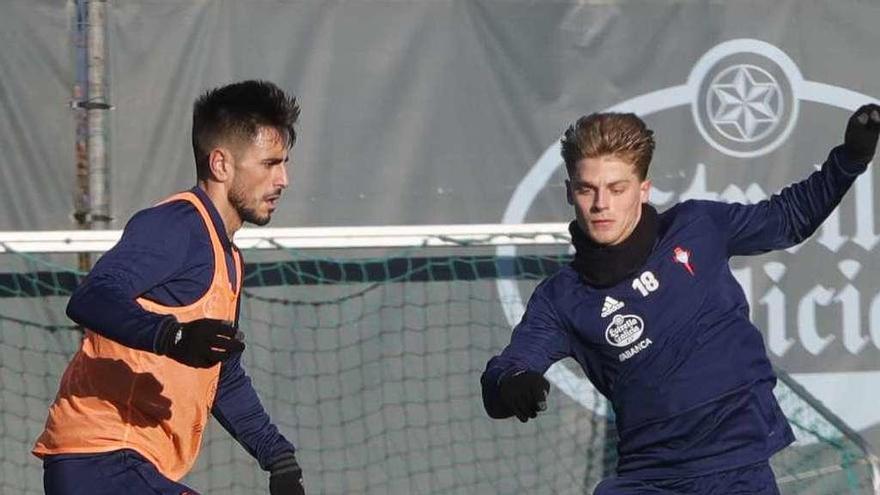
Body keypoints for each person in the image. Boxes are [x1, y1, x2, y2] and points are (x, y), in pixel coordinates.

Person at [481, 105, 880, 494]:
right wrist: (512, 384)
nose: (601, 204)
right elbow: (506, 372)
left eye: (617, 188)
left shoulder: (697, 227)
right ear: (570, 192)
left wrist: (851, 158)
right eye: (588, 189)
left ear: (643, 189)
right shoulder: (561, 298)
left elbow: (788, 218)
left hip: (737, 470)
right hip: (649, 478)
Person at [34, 80, 306, 495]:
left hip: (128, 466)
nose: (283, 179)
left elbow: (221, 373)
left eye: (284, 163)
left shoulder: (226, 257)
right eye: (270, 163)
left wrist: (278, 458)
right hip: (103, 459)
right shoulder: (177, 226)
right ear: (220, 165)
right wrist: (173, 336)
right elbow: (93, 295)